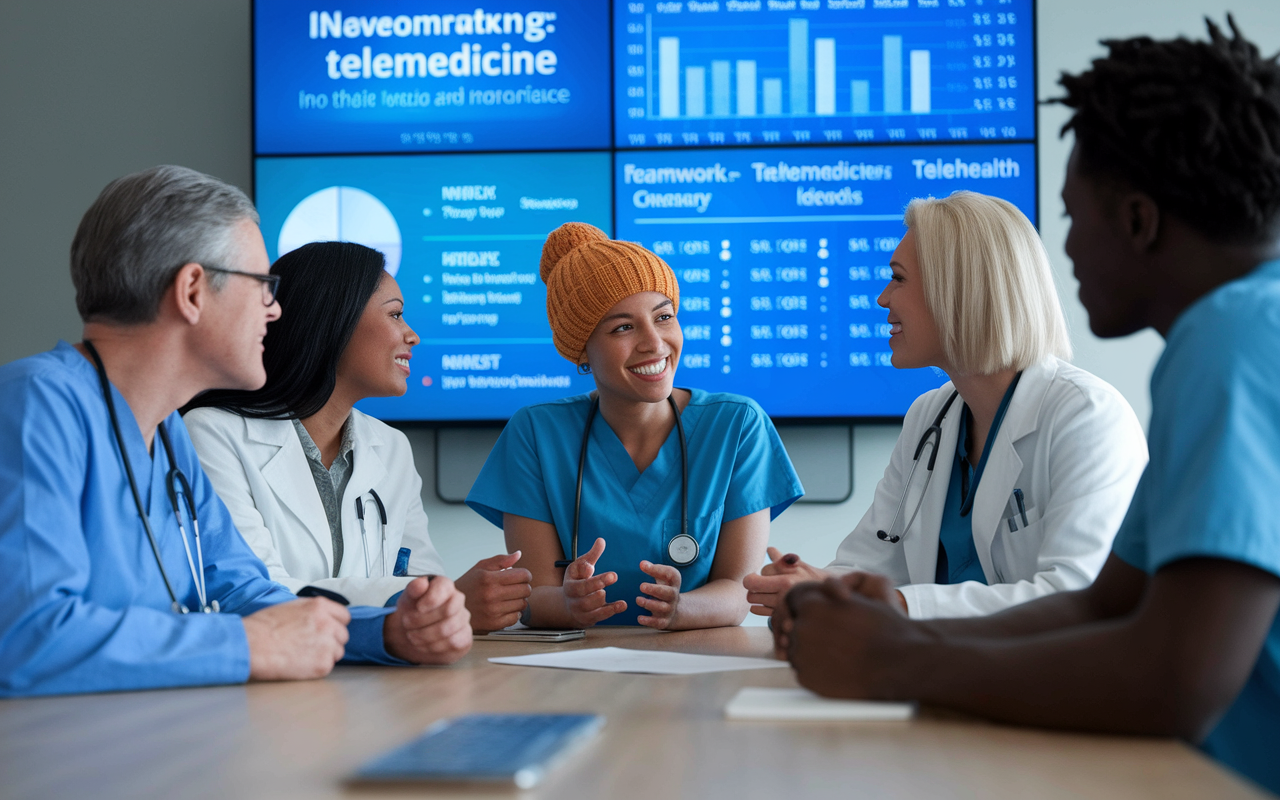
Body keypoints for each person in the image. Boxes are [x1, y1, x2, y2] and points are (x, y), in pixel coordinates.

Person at [774, 18, 1280, 795]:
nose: (1066, 250)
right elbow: (1103, 604)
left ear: (1139, 221)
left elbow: (1177, 677)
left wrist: (895, 655)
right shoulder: (1235, 334)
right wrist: (871, 621)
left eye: (1074, 219)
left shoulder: (1232, 338)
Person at [0, 166, 472, 697]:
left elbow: (243, 592)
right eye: (263, 286)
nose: (275, 310)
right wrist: (247, 645)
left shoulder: (168, 437)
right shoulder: (36, 403)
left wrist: (386, 630)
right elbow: (27, 638)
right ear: (193, 291)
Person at [744, 191, 1146, 620]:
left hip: (1048, 679)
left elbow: (1075, 595)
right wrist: (814, 588)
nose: (883, 299)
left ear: (955, 289)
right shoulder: (929, 418)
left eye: (898, 278)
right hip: (943, 671)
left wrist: (891, 604)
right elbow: (867, 566)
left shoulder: (1087, 417)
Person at [467, 222, 803, 629]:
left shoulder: (736, 425)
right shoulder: (536, 433)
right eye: (623, 327)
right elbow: (534, 598)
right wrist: (569, 606)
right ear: (582, 350)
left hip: (697, 665)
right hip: (571, 671)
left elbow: (738, 591)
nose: (654, 343)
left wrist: (680, 609)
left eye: (664, 317)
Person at [184, 241, 532, 631]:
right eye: (396, 315)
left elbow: (422, 579)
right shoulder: (212, 433)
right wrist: (426, 600)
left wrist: (449, 605)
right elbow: (255, 592)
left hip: (377, 675)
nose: (412, 335)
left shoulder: (392, 448)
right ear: (334, 320)